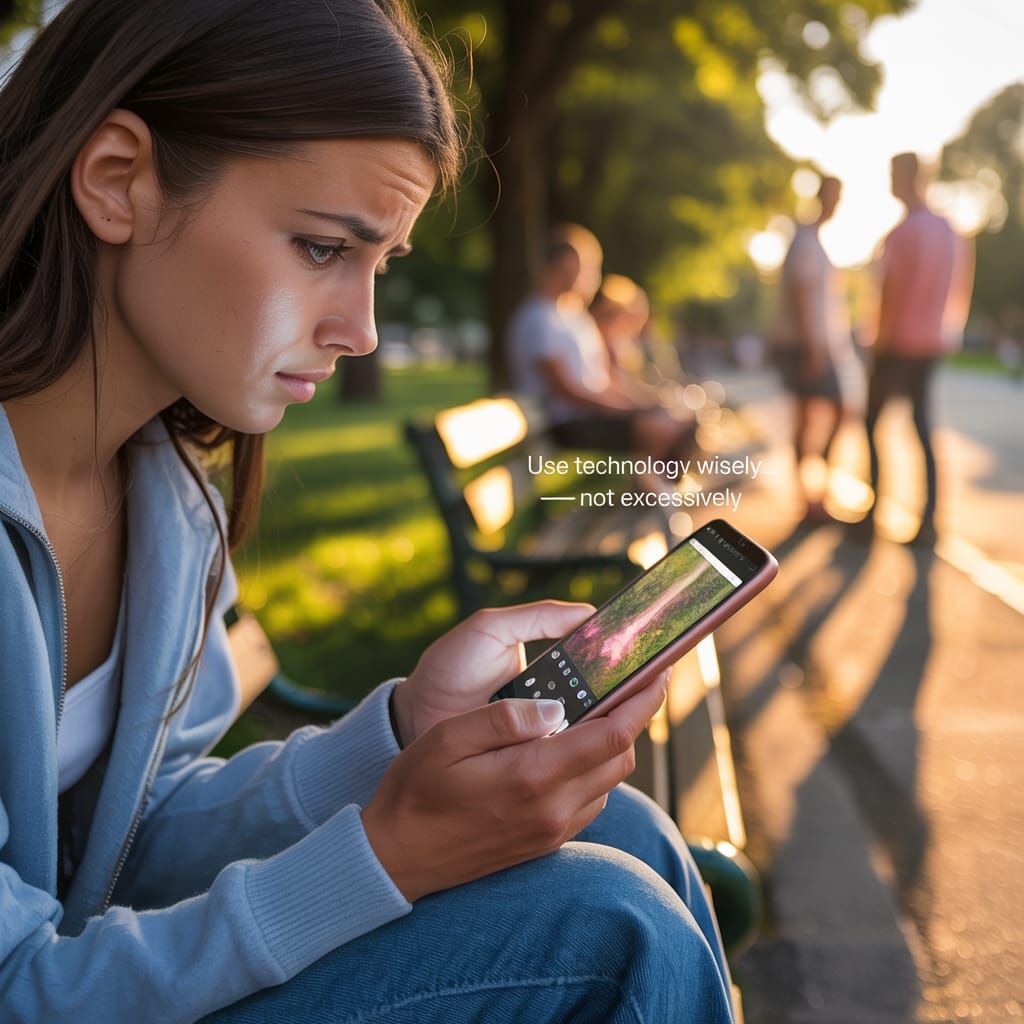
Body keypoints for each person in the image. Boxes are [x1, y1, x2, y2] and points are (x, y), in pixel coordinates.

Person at [0, 2, 734, 1022]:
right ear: (118, 179)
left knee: (632, 836)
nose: (361, 330)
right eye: (316, 248)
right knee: (609, 923)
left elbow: (131, 839)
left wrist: (395, 737)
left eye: (377, 264)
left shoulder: (164, 499)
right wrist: (384, 857)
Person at [507, 224, 696, 469]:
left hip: (588, 416)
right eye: (582, 265)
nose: (589, 274)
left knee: (681, 419)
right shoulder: (539, 318)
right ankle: (653, 492)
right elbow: (566, 391)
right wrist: (625, 409)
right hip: (566, 424)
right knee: (667, 427)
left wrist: (642, 402)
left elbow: (601, 380)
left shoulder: (572, 316)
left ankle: (654, 491)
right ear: (561, 265)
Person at [859, 152, 975, 546]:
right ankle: (929, 520)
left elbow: (891, 292)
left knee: (871, 423)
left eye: (894, 173)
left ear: (908, 177)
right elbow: (961, 287)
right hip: (931, 343)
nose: (891, 181)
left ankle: (872, 515)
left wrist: (879, 341)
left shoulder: (903, 233)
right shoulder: (950, 231)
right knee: (922, 427)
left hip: (897, 344)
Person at [769, 175, 858, 523]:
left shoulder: (815, 240)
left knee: (826, 416)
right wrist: (814, 350)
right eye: (835, 196)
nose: (837, 203)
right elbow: (803, 296)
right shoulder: (805, 240)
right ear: (823, 196)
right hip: (808, 345)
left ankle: (815, 489)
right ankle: (808, 497)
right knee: (813, 418)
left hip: (818, 344)